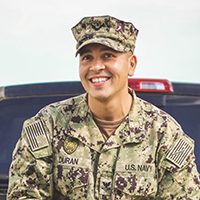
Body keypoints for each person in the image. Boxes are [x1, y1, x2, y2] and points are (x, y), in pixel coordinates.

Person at [7, 15, 200, 200]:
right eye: (87, 57)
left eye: (108, 56)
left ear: (131, 64)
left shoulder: (164, 134)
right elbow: (24, 195)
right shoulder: (49, 124)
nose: (96, 66)